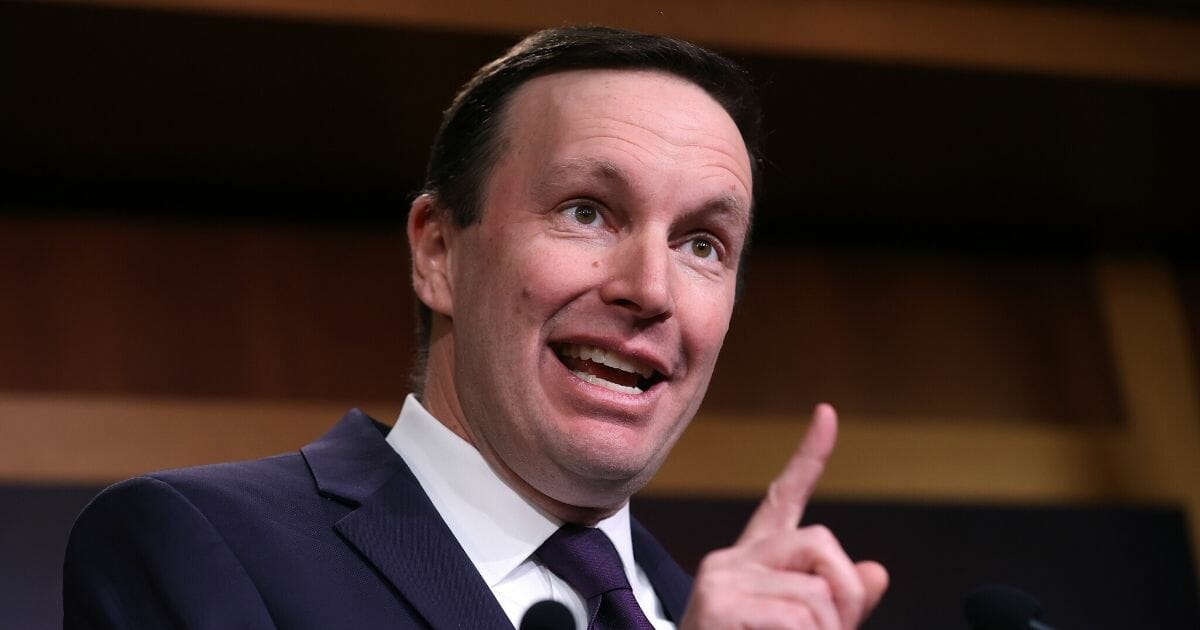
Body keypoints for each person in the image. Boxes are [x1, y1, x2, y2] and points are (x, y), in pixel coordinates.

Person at [64, 26, 888, 629]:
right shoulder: (198, 549)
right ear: (438, 253)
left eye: (702, 243)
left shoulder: (733, 614)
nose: (650, 289)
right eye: (588, 212)